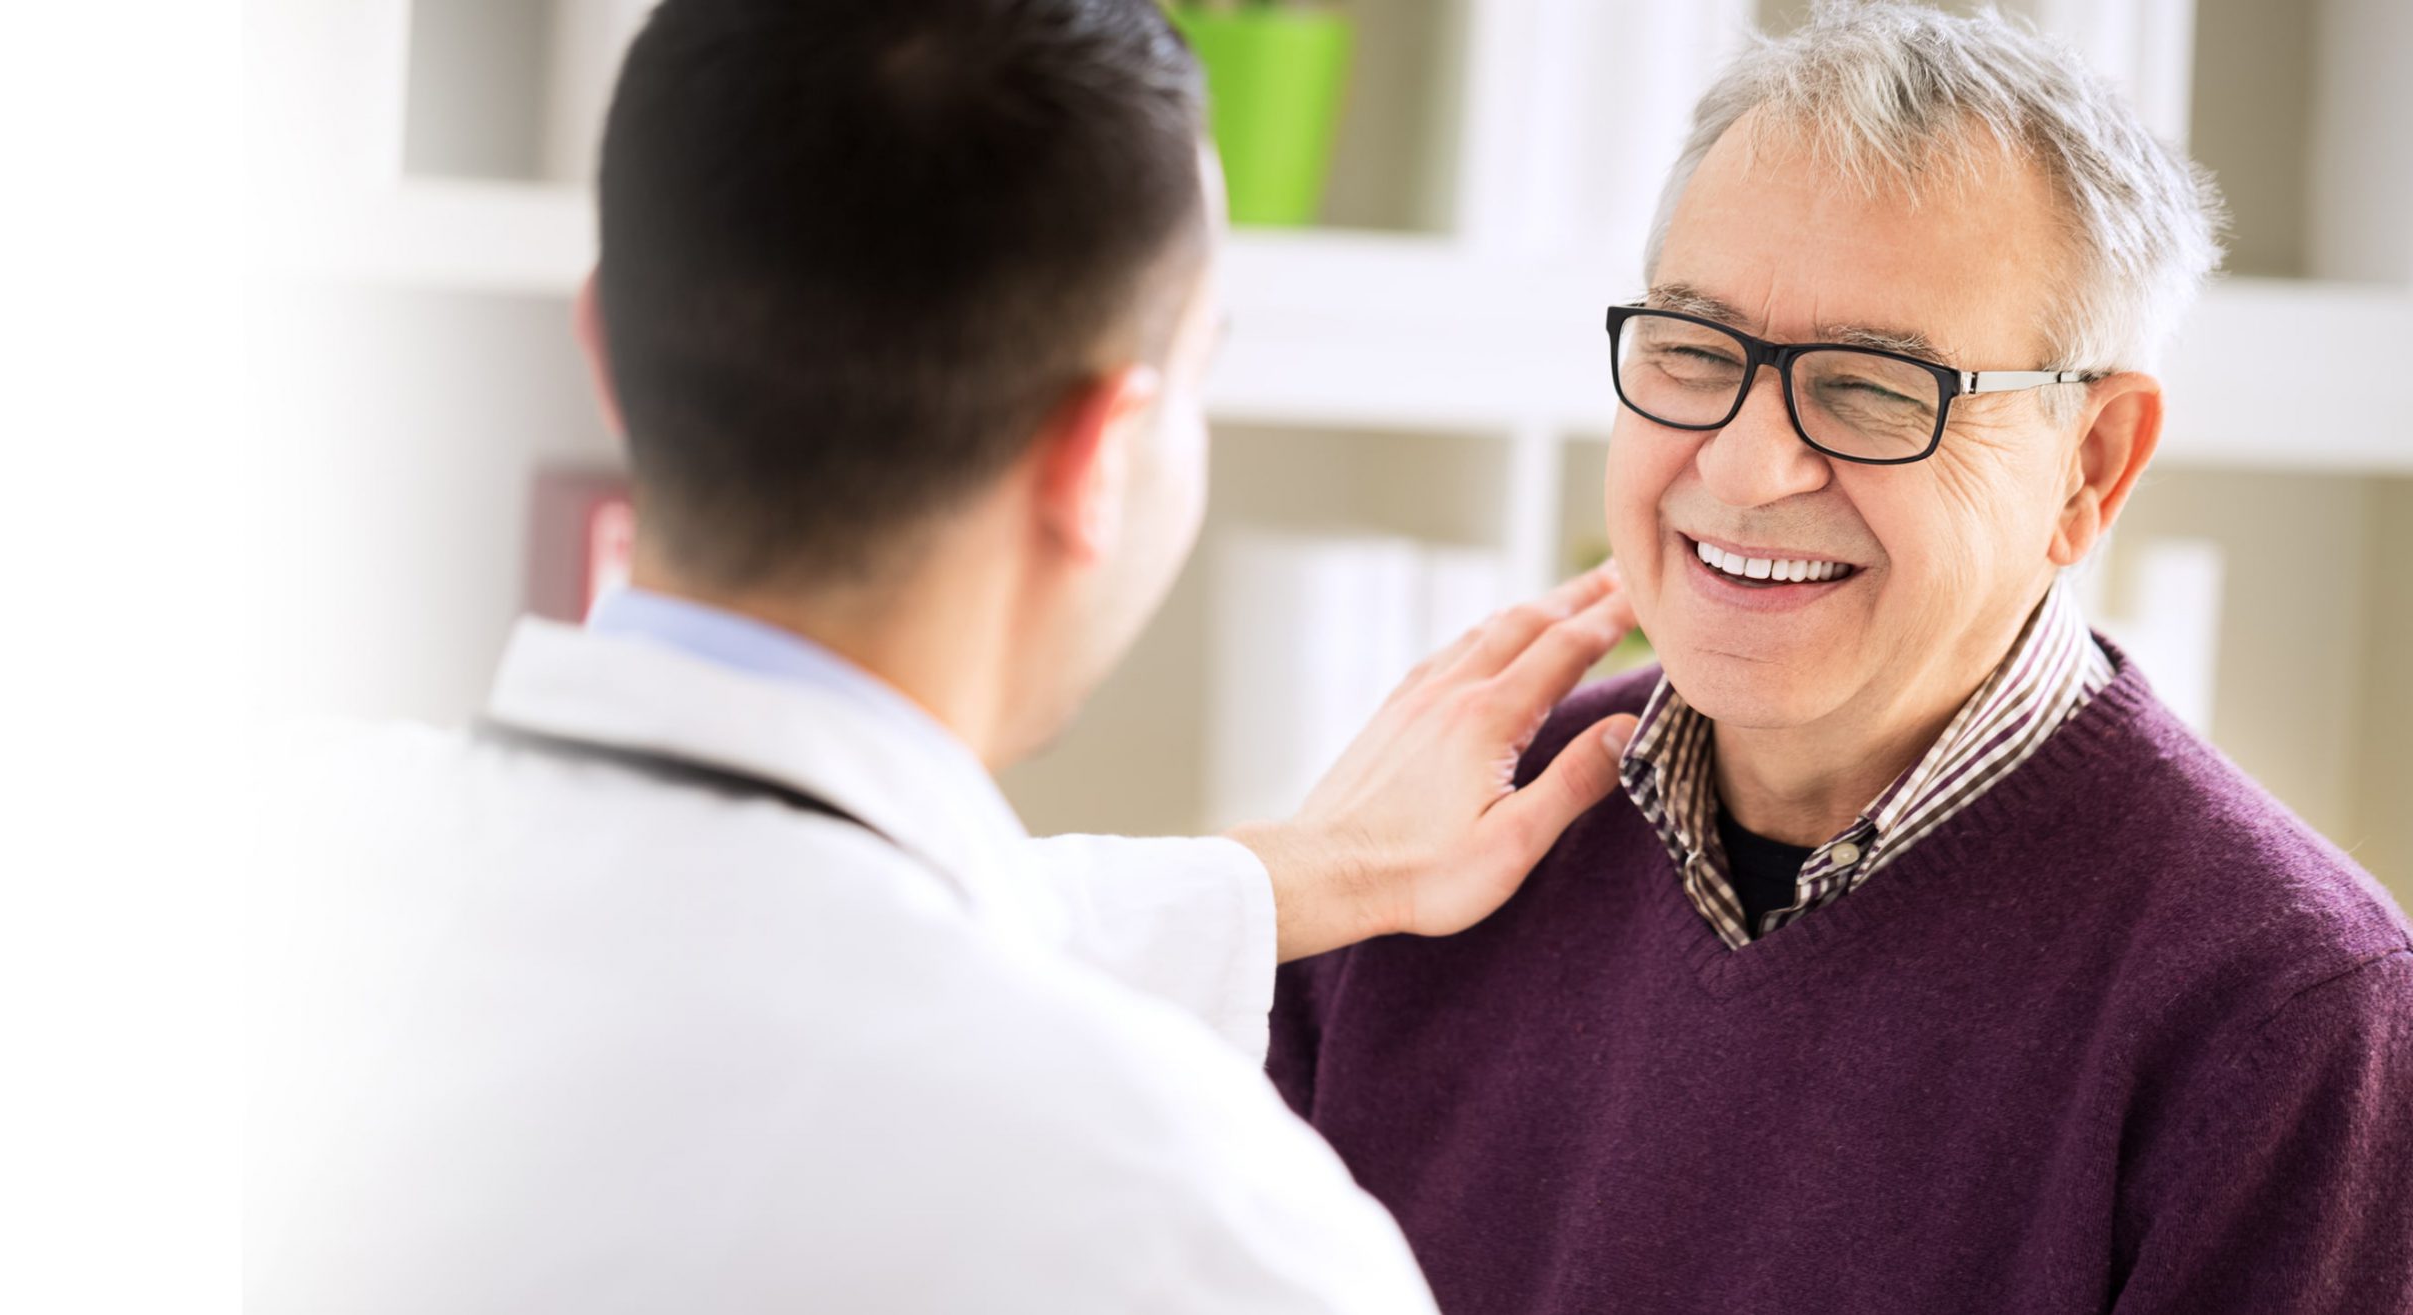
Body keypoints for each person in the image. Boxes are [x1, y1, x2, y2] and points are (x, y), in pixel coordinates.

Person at [244, 2, 1638, 1311]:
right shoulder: (1202, 1237)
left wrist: (1287, 876)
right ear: (1099, 456)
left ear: (605, 348)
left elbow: (747, 918)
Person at [1261, 5, 2413, 1312]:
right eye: (1694, 353)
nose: (1747, 467)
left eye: (1871, 387)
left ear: (2090, 466)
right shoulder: (1435, 839)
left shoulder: (2291, 1018)